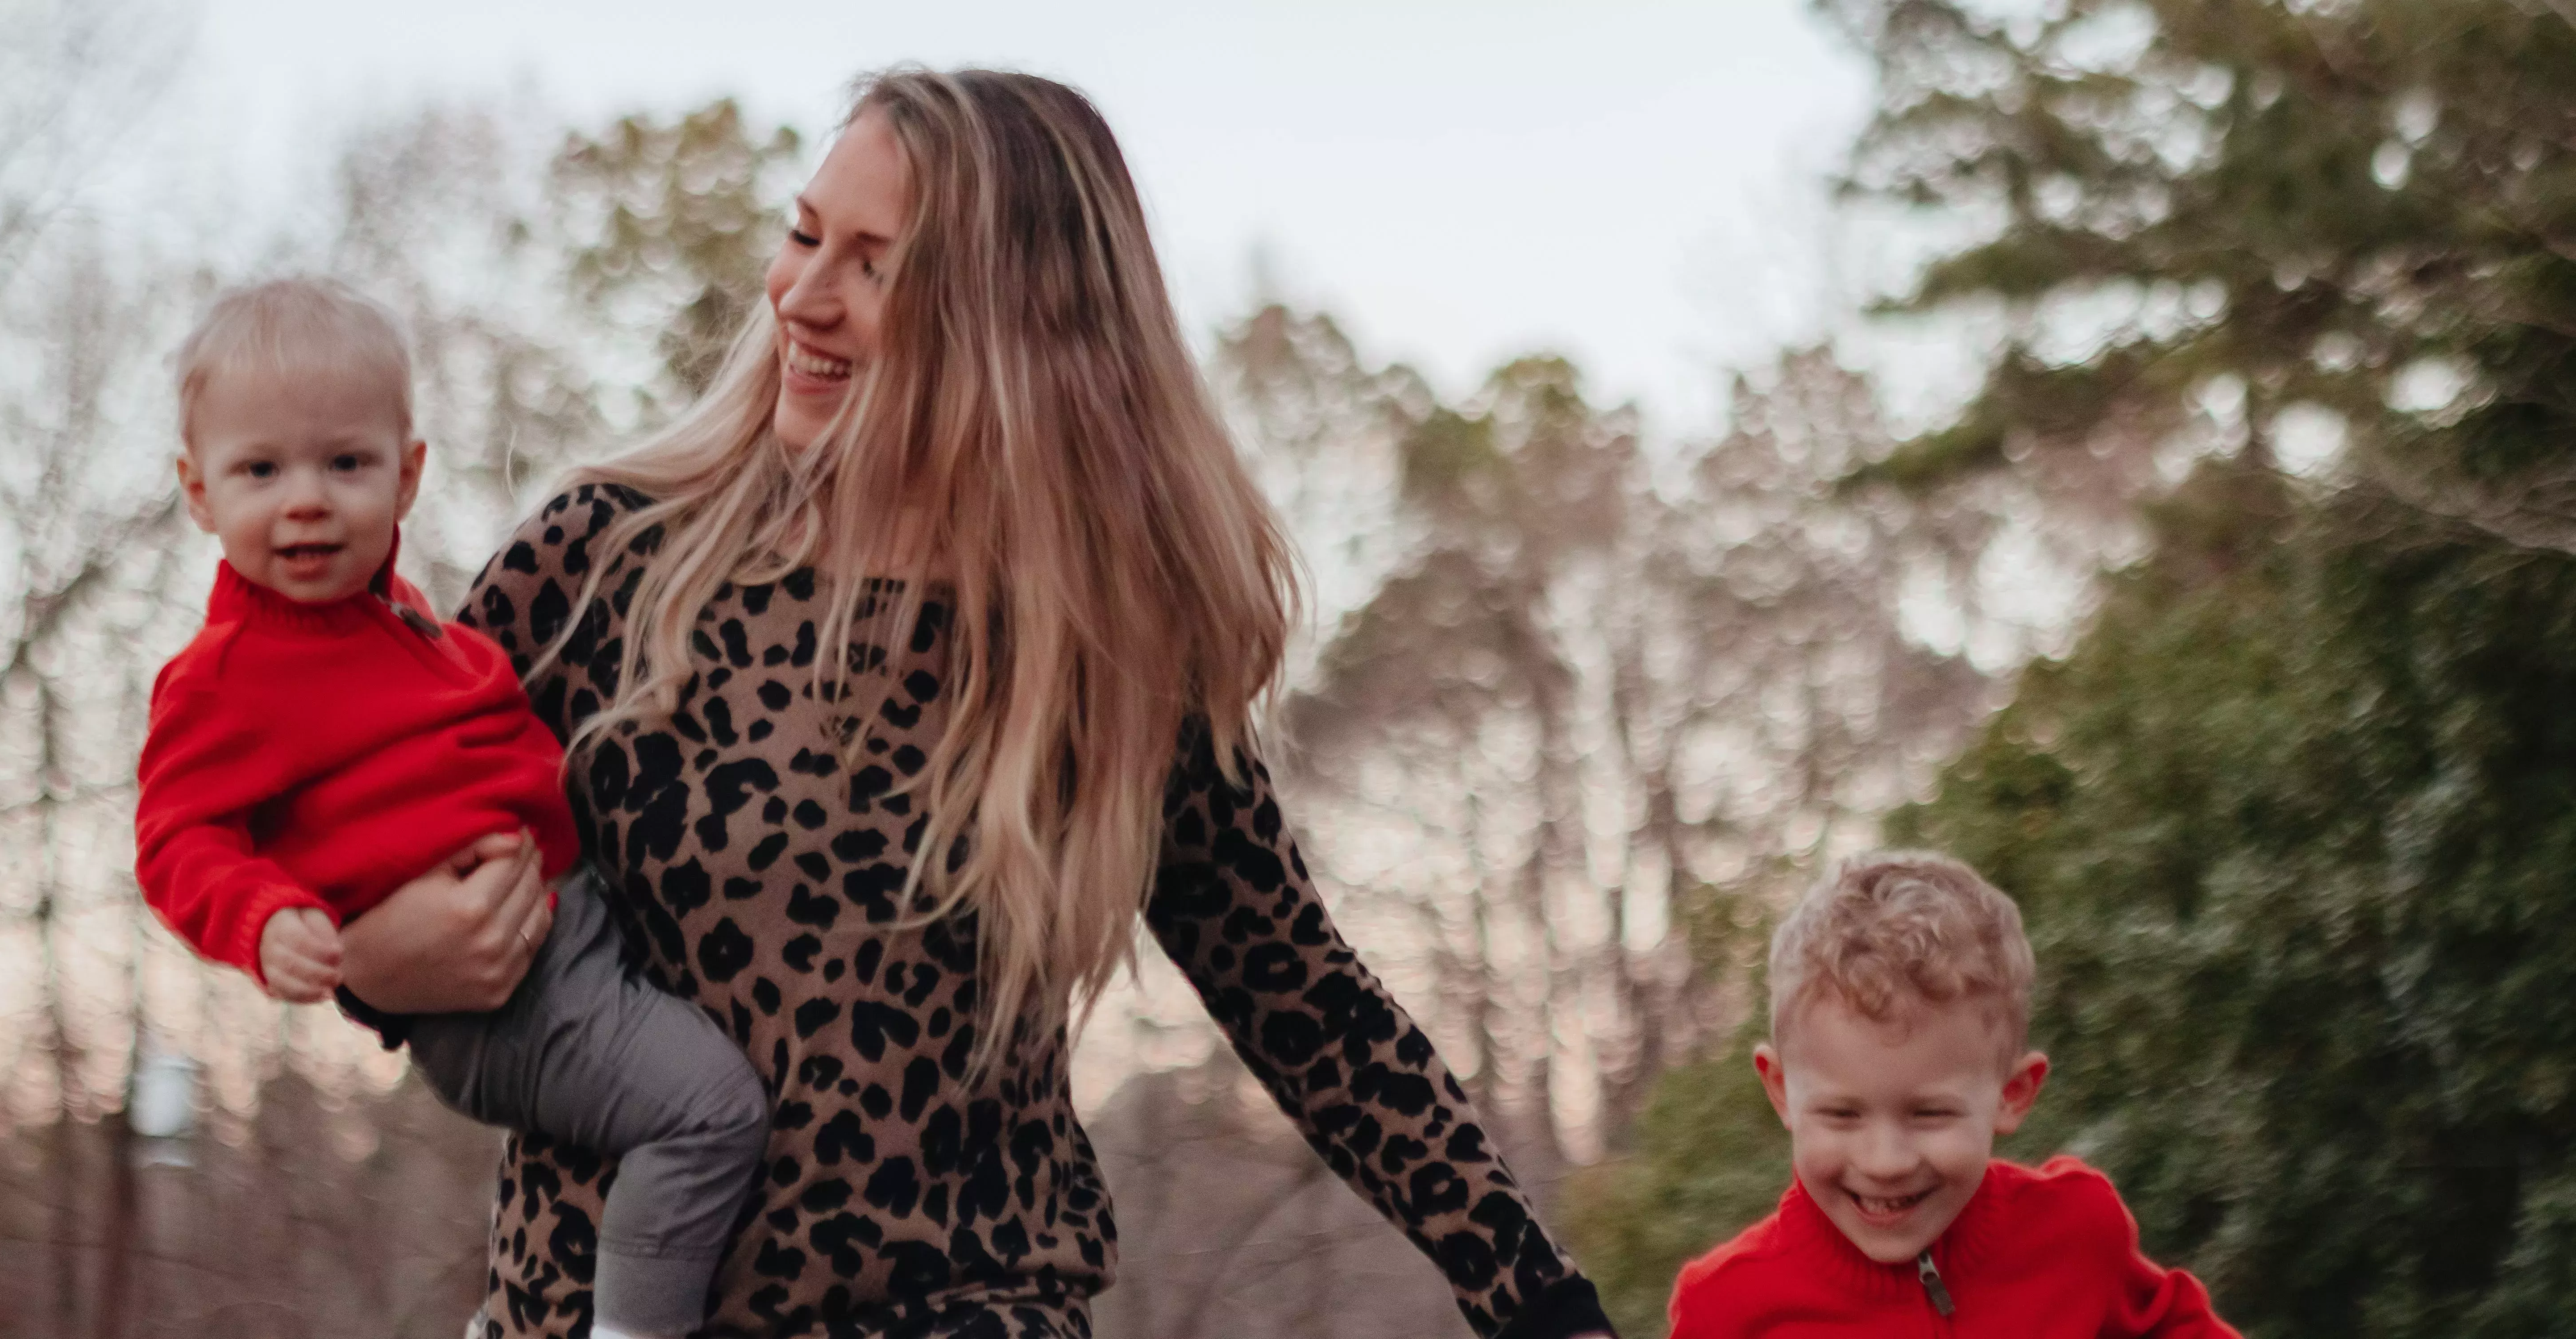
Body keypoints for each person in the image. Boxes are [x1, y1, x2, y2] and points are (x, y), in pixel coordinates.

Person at [329, 68, 1619, 1339]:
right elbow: (347, 815)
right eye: (803, 234)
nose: (800, 294)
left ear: (1006, 325)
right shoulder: (607, 558)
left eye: (875, 266)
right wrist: (379, 965)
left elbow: (1306, 1002)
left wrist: (1544, 1306)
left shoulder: (1096, 652)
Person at [134, 277, 770, 1339]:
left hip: (566, 935)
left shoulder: (403, 620)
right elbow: (175, 838)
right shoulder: (227, 675)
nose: (306, 499)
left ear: (408, 474)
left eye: (346, 462)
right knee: (709, 1110)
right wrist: (263, 916)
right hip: (507, 999)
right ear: (199, 493)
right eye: (261, 469)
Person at [1665, 851, 2239, 1338]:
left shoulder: (2076, 1234)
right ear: (1782, 1090)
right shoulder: (1725, 1308)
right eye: (1842, 1114)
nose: (1885, 1162)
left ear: (2013, 1094)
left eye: (1930, 1114)